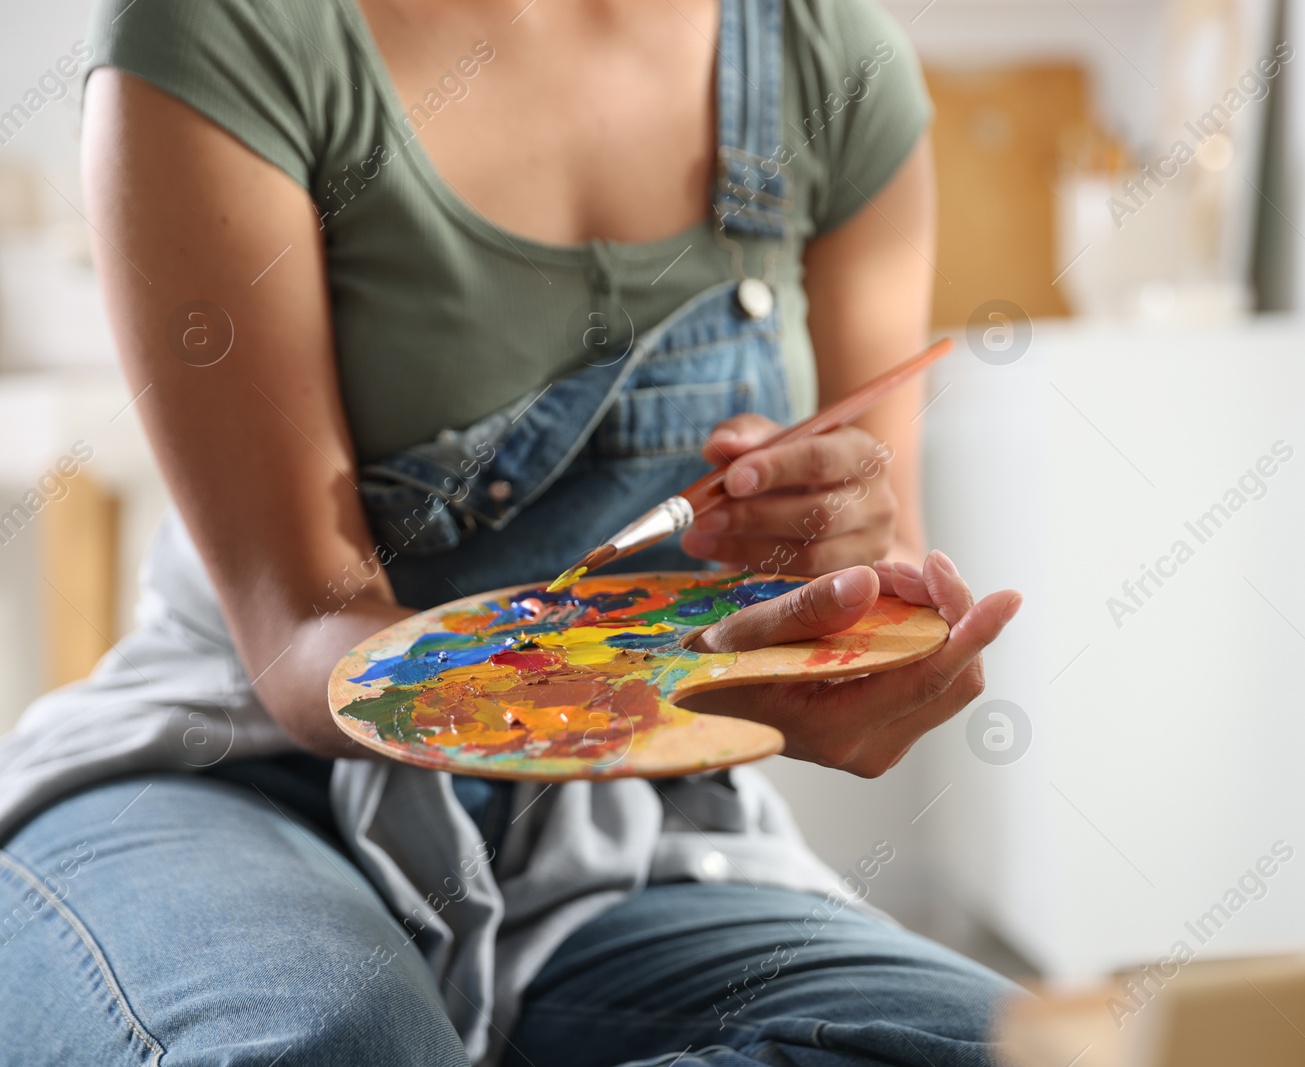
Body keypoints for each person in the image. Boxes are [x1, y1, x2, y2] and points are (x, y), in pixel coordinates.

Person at [0, 0, 1025, 1062]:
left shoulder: (831, 63)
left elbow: (879, 551)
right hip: (235, 778)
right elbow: (299, 631)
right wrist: (628, 676)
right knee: (338, 1041)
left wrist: (841, 616)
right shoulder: (226, 28)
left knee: (984, 1042)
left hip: (604, 848)